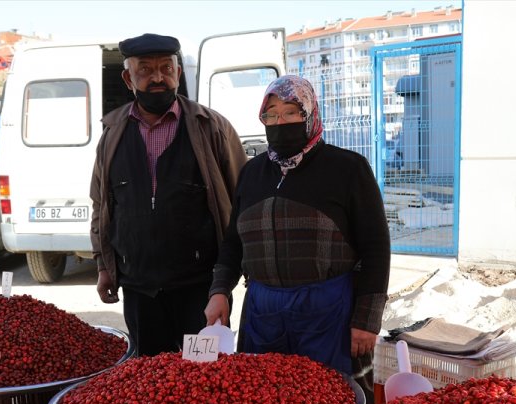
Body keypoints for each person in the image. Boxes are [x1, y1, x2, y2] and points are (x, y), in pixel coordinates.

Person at [204, 74, 391, 376]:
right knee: (264, 399)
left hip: (327, 311)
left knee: (328, 399)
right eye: (272, 114)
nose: (281, 122)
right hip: (263, 311)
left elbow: (376, 249)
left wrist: (366, 321)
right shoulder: (252, 173)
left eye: (291, 112)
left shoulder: (347, 169)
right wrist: (219, 291)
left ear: (310, 113)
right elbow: (233, 244)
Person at [89, 33, 247, 356]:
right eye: (145, 70)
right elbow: (102, 205)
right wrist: (104, 266)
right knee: (151, 386)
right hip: (139, 291)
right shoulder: (112, 135)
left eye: (166, 67)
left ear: (178, 72)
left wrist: (231, 278)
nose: (158, 77)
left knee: (206, 383)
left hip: (201, 291)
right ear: (128, 78)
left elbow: (243, 199)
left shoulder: (211, 128)